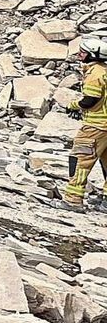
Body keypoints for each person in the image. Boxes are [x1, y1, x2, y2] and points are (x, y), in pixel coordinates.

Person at [62, 37, 107, 210]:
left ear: (93, 55)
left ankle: (73, 199)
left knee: (80, 160)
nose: (79, 54)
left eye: (83, 52)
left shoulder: (95, 74)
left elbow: (90, 100)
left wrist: (73, 105)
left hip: (95, 127)